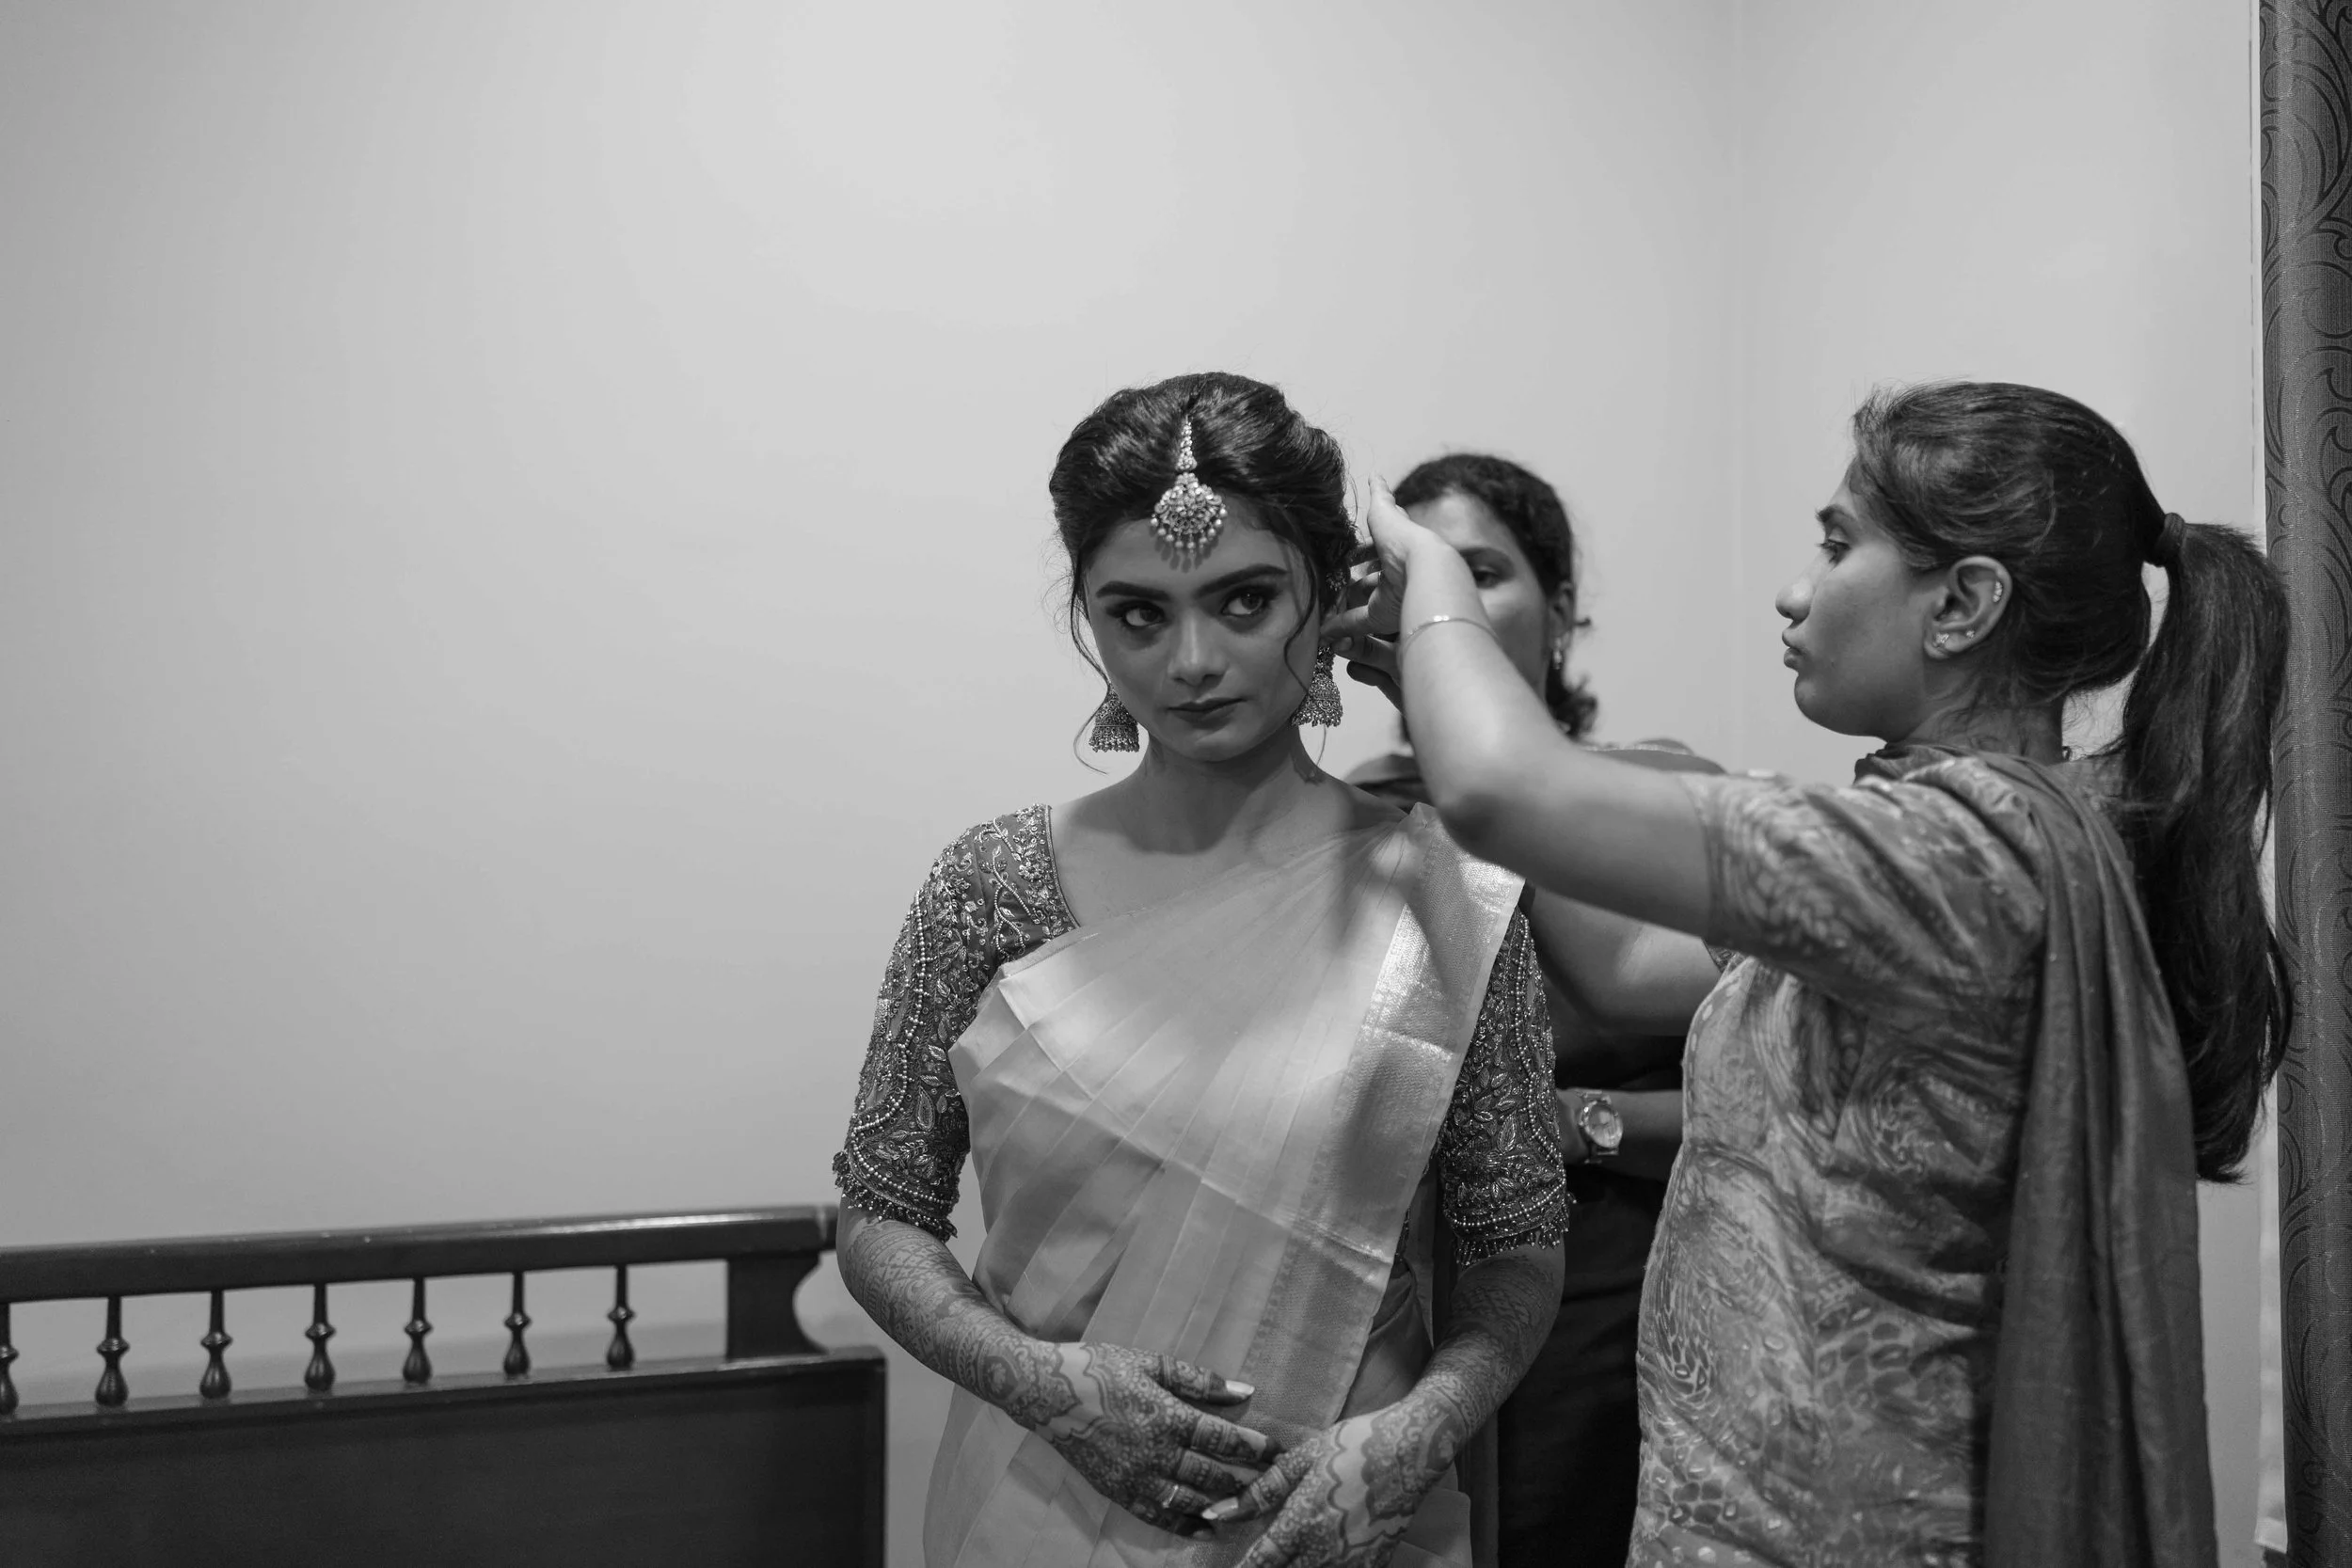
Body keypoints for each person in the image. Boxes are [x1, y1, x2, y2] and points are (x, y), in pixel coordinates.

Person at [1334, 381, 2286, 1567]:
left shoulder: (1955, 856)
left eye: (1836, 546)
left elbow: (1500, 788)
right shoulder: (1928, 837)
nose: (1793, 590)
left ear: (1962, 604)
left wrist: (1433, 576)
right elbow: (1627, 961)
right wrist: (1417, 682)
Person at [831, 371, 1569, 1568]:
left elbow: (1515, 1241)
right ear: (1086, 615)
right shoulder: (992, 887)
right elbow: (881, 1214)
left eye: (1244, 601)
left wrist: (1416, 1432)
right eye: (1137, 613)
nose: (1190, 660)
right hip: (1037, 1504)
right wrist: (1042, 1383)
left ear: (1328, 594)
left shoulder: (1438, 892)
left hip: (1340, 1520)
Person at [1343, 452, 1718, 1568]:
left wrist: (1577, 1121)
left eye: (1480, 573)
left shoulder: (1664, 792)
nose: (1442, 603)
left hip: (1626, 1283)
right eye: (1416, 576)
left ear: (1560, 609)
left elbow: (1785, 1087)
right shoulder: (1344, 821)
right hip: (1399, 1299)